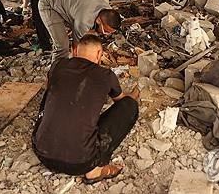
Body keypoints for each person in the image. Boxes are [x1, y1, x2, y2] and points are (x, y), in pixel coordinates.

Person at [32, 34, 139, 183]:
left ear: (74, 51)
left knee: (50, 93)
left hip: (42, 154)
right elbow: (120, 102)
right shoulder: (106, 75)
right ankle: (95, 171)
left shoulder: (58, 65)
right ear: (99, 55)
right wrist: (132, 97)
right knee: (130, 106)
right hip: (82, 163)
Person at [38, 0, 122, 63]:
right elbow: (76, 47)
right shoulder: (85, 20)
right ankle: (57, 73)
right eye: (105, 31)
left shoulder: (108, 11)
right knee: (63, 45)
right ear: (99, 20)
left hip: (70, 4)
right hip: (49, 4)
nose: (106, 35)